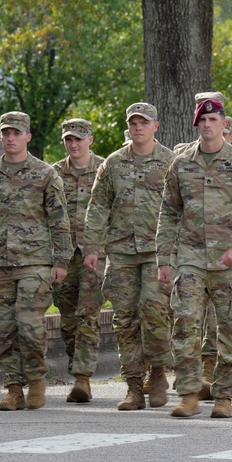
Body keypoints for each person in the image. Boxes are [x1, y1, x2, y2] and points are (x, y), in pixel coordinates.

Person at [156, 97, 232, 418]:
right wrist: (164, 258)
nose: (207, 125)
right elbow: (168, 212)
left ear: (223, 123)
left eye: (213, 119)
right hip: (190, 258)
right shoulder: (181, 164)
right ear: (197, 125)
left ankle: (224, 395)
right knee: (185, 323)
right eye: (202, 121)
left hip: (228, 261)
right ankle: (189, 392)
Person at [0, 111, 72, 411]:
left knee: (28, 322)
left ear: (28, 136)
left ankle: (37, 380)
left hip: (35, 263)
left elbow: (60, 221)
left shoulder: (45, 174)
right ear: (0, 136)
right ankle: (13, 388)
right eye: (6, 133)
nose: (11, 138)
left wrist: (61, 260)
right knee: (3, 327)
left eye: (16, 133)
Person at [84, 102, 175, 411]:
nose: (138, 127)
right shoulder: (112, 163)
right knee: (124, 319)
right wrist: (92, 247)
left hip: (157, 251)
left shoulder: (170, 162)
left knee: (153, 311)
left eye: (144, 122)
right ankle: (134, 386)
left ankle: (159, 372)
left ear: (155, 126)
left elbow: (182, 208)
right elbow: (97, 207)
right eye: (133, 122)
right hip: (121, 251)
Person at [50, 118, 105, 403]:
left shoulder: (105, 170)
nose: (73, 144)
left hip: (96, 255)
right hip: (63, 256)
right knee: (68, 320)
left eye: (79, 139)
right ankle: (77, 368)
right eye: (69, 140)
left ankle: (82, 379)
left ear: (90, 141)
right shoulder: (54, 174)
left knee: (87, 315)